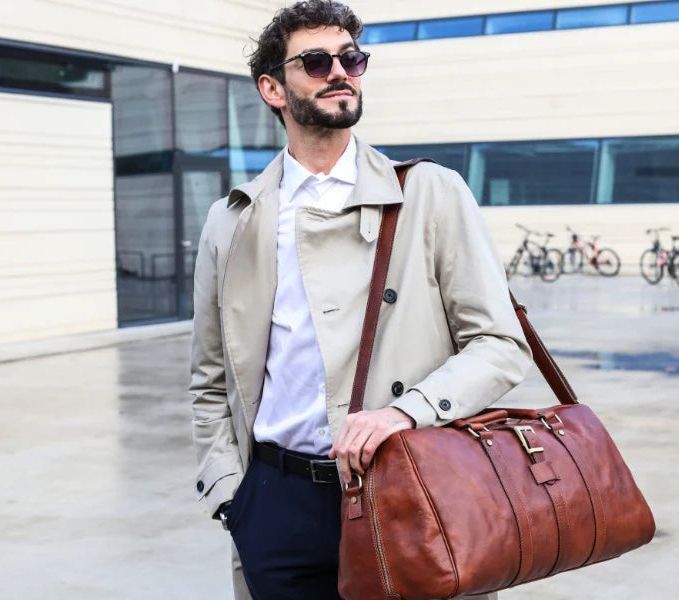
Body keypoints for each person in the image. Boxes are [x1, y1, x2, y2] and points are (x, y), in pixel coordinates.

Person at [189, 1, 531, 598]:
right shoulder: (232, 219)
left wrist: (405, 411)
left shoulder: (428, 193)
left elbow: (501, 344)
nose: (339, 73)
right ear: (272, 89)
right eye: (316, 63)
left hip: (408, 489)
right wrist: (229, 494)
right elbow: (210, 378)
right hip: (276, 502)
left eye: (350, 59)